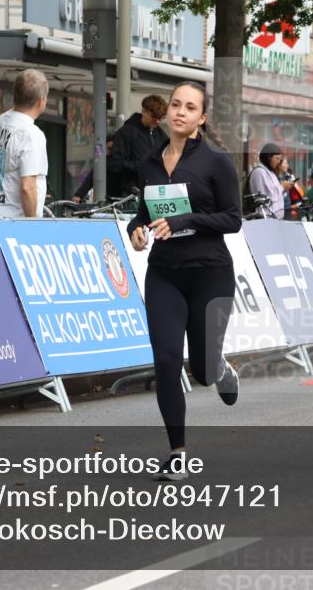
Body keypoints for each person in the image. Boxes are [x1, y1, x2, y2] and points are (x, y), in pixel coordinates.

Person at [127, 81, 242, 481]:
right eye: (175, 104)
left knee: (203, 371)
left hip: (210, 274)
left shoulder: (216, 162)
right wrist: (136, 230)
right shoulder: (150, 162)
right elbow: (142, 212)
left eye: (190, 107)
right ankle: (178, 453)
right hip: (164, 275)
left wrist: (186, 220)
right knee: (166, 359)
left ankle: (221, 369)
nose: (180, 112)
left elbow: (233, 219)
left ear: (201, 118)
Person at [0, 69, 49, 218]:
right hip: (13, 223)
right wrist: (32, 226)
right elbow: (28, 187)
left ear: (15, 96)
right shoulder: (31, 134)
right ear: (41, 100)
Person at [107, 95, 168, 198]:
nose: (157, 121)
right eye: (154, 117)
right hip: (131, 194)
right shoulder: (126, 132)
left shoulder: (161, 135)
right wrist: (141, 165)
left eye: (161, 118)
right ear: (143, 111)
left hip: (156, 192)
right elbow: (114, 164)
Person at [71, 132, 114, 203]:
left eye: (111, 149)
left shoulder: (116, 161)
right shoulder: (104, 161)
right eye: (108, 149)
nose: (110, 152)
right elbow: (91, 177)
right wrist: (79, 195)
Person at [246, 143, 286, 218]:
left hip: (275, 218)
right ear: (269, 157)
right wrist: (282, 186)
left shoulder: (271, 173)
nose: (278, 162)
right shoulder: (259, 172)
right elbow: (268, 197)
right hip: (265, 218)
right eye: (277, 158)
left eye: (279, 159)